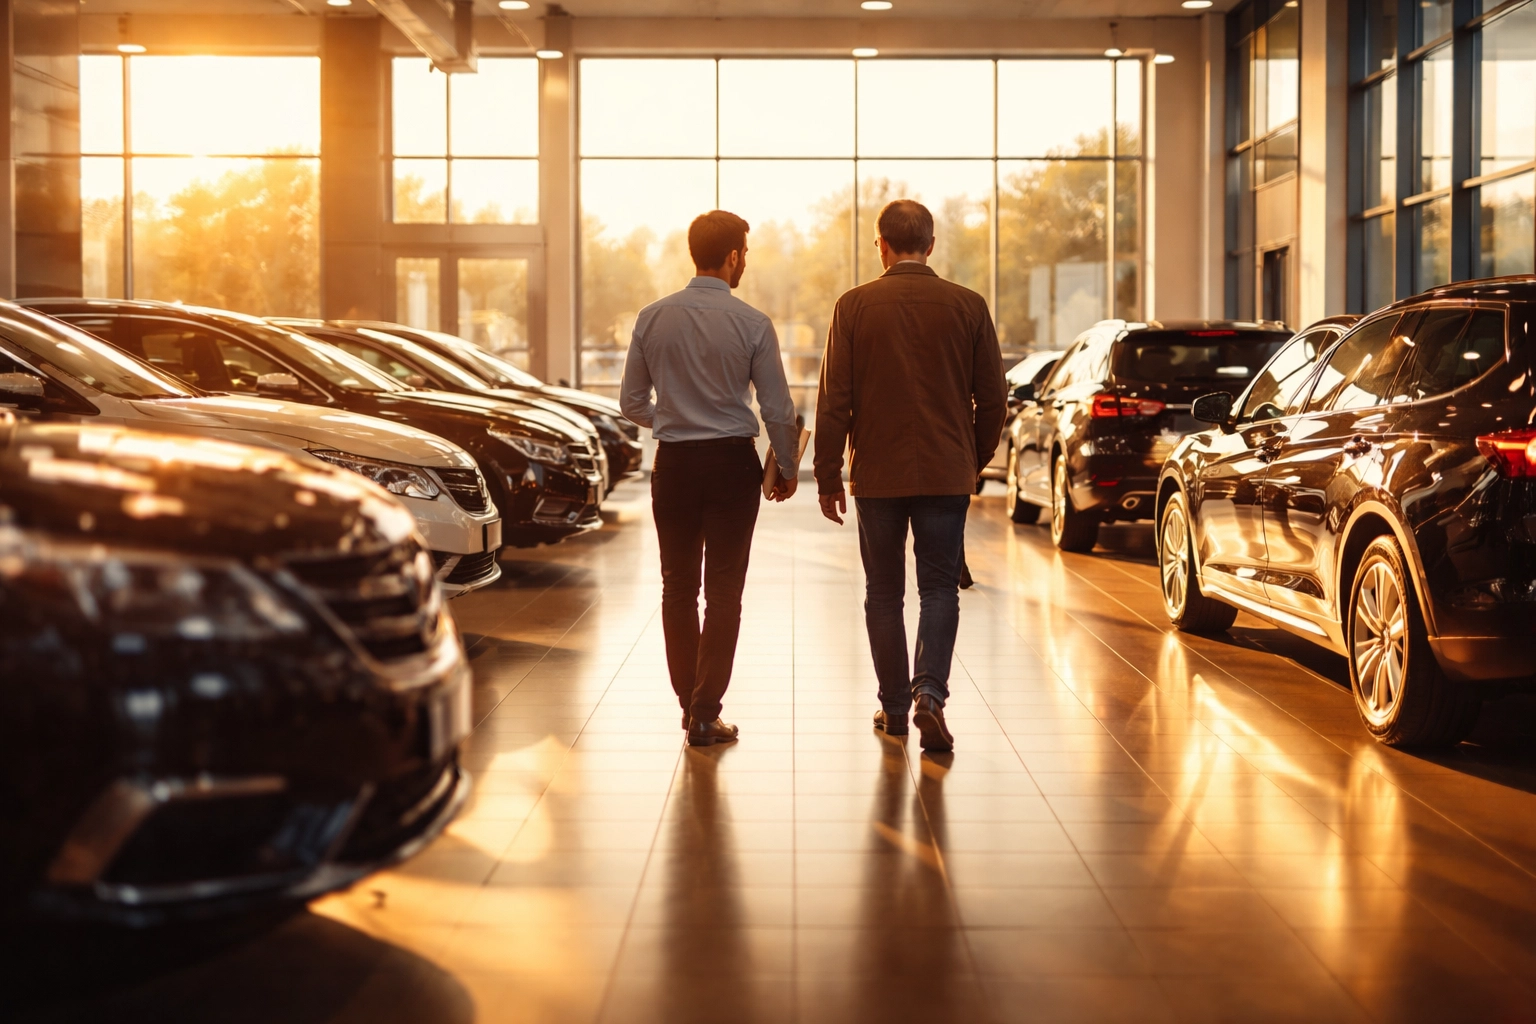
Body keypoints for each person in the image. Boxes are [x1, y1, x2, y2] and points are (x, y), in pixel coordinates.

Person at [813, 200, 1006, 753]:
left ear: (882, 244)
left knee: (883, 592)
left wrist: (828, 475)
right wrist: (972, 458)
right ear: (931, 243)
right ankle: (931, 696)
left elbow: (834, 401)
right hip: (947, 470)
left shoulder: (853, 306)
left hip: (877, 472)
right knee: (940, 587)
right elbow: (994, 398)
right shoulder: (968, 305)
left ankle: (895, 708)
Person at [621, 210, 801, 748]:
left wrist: (674, 418)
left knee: (677, 586)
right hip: (730, 466)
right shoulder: (752, 323)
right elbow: (776, 406)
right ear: (734, 257)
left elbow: (631, 402)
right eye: (745, 253)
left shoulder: (652, 318)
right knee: (724, 593)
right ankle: (705, 712)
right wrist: (788, 466)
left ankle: (689, 704)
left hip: (674, 465)